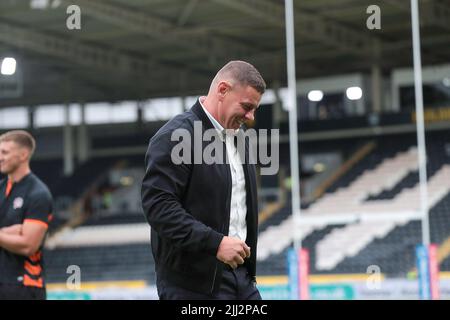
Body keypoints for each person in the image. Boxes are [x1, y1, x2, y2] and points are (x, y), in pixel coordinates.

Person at [141, 60, 266, 299]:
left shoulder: (241, 139)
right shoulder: (176, 136)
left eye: (254, 109)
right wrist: (215, 243)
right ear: (222, 90)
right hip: (191, 287)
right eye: (247, 106)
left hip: (242, 279)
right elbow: (158, 208)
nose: (251, 117)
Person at [0, 130, 53, 300]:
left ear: (23, 155)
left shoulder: (38, 193)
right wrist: (9, 233)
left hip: (25, 286)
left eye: (5, 152)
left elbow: (28, 245)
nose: (0, 157)